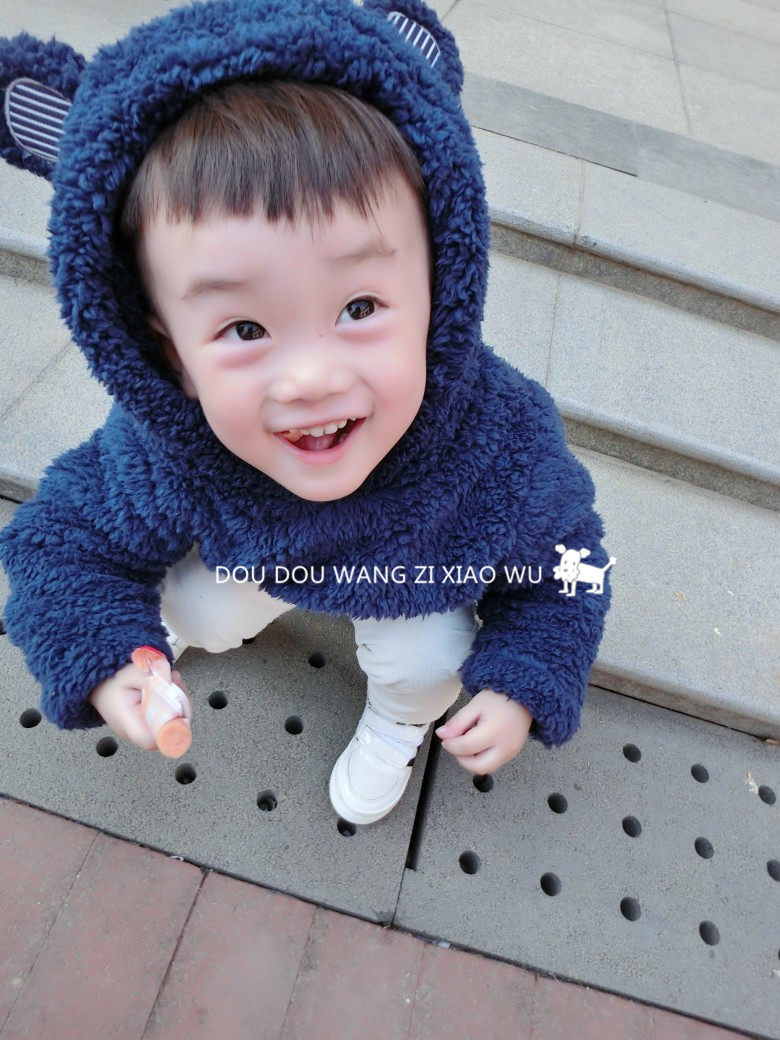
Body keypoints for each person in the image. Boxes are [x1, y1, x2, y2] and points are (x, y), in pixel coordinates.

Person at [0, 0, 613, 826]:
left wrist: (526, 678)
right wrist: (106, 653)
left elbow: (569, 563)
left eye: (360, 307)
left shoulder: (495, 438)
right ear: (167, 350)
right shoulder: (172, 446)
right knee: (200, 608)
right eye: (244, 329)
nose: (312, 379)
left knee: (427, 658)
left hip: (413, 580)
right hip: (261, 560)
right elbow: (62, 541)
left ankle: (399, 720)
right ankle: (164, 652)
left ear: (441, 286)